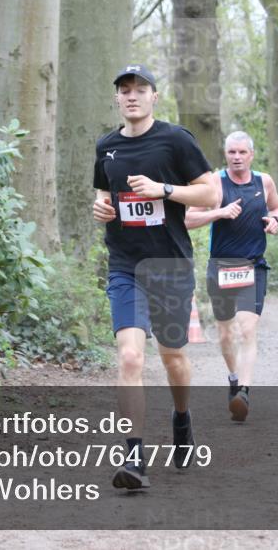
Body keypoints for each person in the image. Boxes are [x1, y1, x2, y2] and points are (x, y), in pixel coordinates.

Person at [92, 63, 217, 490]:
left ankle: (182, 419)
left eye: (140, 89)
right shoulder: (105, 146)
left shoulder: (175, 140)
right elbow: (103, 195)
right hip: (126, 264)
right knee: (129, 357)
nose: (132, 96)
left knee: (173, 358)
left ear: (153, 96)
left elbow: (211, 192)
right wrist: (101, 208)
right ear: (117, 98)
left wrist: (164, 190)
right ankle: (134, 459)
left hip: (170, 265)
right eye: (124, 89)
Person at [185, 131, 278, 422]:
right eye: (232, 153)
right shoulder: (215, 182)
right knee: (226, 333)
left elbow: (277, 207)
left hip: (254, 266)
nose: (237, 157)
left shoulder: (263, 181)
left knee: (247, 329)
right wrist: (218, 213)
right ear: (225, 155)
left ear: (251, 155)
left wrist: (275, 220)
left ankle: (244, 391)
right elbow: (188, 219)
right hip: (222, 267)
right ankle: (233, 379)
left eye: (242, 152)